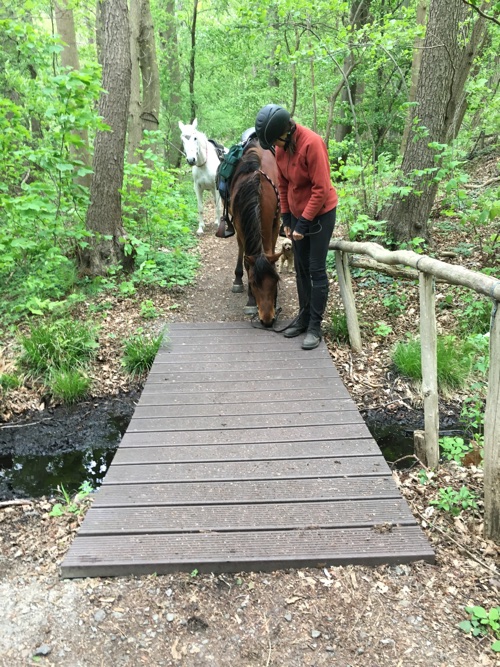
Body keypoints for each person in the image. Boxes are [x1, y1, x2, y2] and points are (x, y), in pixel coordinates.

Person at [255, 104, 338, 350]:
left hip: (321, 215)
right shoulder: (282, 149)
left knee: (315, 269)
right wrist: (288, 220)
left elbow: (321, 189)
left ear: (286, 132)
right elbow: (283, 185)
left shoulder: (312, 144)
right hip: (298, 214)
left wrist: (303, 223)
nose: (274, 146)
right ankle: (303, 317)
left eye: (275, 141)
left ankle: (314, 326)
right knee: (301, 269)